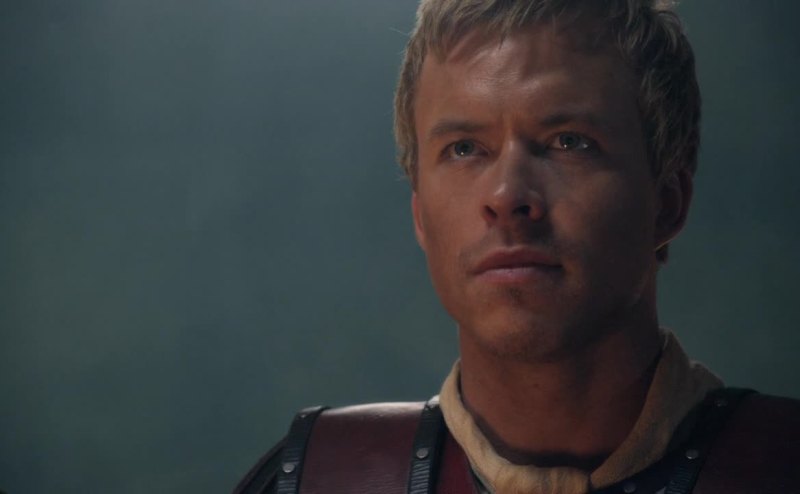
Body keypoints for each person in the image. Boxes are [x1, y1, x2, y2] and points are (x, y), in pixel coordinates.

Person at [234, 1, 800, 493]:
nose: (507, 197)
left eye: (568, 142)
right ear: (420, 217)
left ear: (668, 203)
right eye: (464, 149)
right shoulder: (317, 480)